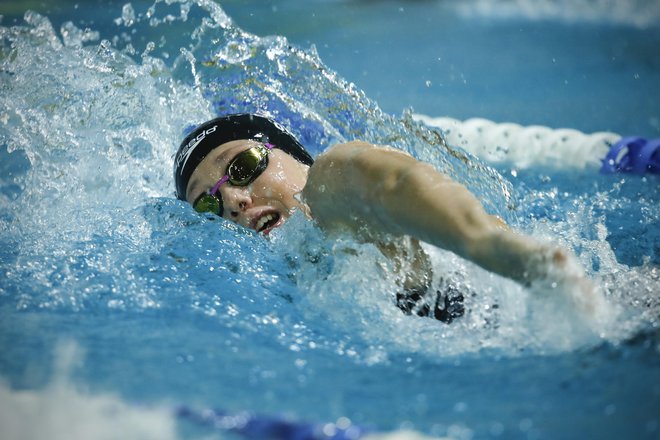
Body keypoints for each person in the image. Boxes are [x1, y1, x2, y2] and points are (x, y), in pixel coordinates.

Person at [173, 113, 604, 322]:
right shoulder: (292, 275)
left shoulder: (327, 186)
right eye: (208, 204)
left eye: (243, 166)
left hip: (557, 300)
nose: (233, 200)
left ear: (292, 153)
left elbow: (390, 180)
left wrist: (491, 247)